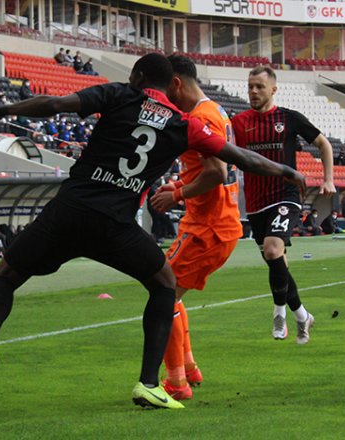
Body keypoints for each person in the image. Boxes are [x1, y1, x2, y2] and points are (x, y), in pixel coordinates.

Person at [0, 53, 306, 409]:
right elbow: (239, 157)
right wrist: (289, 173)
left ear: (137, 76)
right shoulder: (184, 124)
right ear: (170, 85)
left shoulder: (119, 94)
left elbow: (55, 103)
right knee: (164, 285)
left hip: (69, 212)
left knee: (7, 275)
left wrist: (3, 111)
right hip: (115, 226)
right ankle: (150, 383)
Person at [148, 55, 243, 401]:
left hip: (209, 227)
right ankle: (187, 368)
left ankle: (176, 382)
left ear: (176, 83)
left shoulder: (202, 117)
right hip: (211, 223)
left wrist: (179, 194)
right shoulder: (216, 111)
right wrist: (179, 187)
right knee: (168, 288)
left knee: (163, 295)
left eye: (164, 90)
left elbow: (216, 171)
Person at [230, 65, 335, 344]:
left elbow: (324, 144)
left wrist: (328, 179)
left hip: (285, 195)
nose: (253, 91)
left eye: (259, 86)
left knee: (273, 249)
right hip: (254, 202)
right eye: (250, 86)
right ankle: (302, 315)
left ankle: (278, 313)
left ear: (273, 89)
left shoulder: (289, 118)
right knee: (277, 262)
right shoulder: (239, 123)